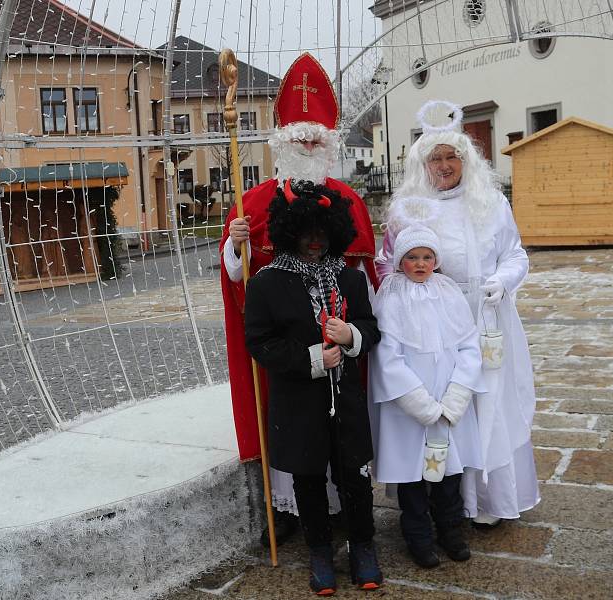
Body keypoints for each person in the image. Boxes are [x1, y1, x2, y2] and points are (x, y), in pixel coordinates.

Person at [220, 52, 378, 545]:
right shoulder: (255, 203)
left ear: (328, 143)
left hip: (335, 332)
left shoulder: (347, 200)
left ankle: (341, 507)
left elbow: (364, 275)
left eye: (316, 139)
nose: (308, 144)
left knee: (337, 421)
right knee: (287, 419)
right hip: (286, 341)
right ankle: (289, 508)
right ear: (283, 143)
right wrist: (236, 244)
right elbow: (236, 281)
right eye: (299, 138)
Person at [375, 100, 539, 527]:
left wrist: (501, 282)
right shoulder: (407, 208)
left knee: (489, 404)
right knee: (444, 399)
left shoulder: (491, 202)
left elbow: (515, 254)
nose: (444, 166)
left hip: (485, 315)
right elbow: (387, 262)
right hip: (432, 321)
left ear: (467, 161)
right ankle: (442, 502)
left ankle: (488, 501)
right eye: (435, 159)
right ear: (422, 165)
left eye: (452, 157)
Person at [244, 180, 382, 594]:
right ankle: (319, 550)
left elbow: (371, 329)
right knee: (308, 477)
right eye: (306, 233)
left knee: (354, 476)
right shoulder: (266, 282)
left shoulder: (350, 279)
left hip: (347, 399)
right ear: (290, 232)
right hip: (298, 398)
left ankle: (362, 546)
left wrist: (351, 337)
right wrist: (311, 359)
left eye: (322, 233)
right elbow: (260, 342)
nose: (315, 242)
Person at [369, 225, 486, 568]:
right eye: (412, 257)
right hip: (411, 409)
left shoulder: (448, 292)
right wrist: (420, 404)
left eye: (427, 257)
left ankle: (450, 529)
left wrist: (457, 395)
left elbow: (469, 346)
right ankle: (417, 536)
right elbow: (388, 358)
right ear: (400, 260)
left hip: (450, 402)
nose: (420, 264)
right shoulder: (391, 297)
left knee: (450, 474)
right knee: (413, 478)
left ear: (436, 260)